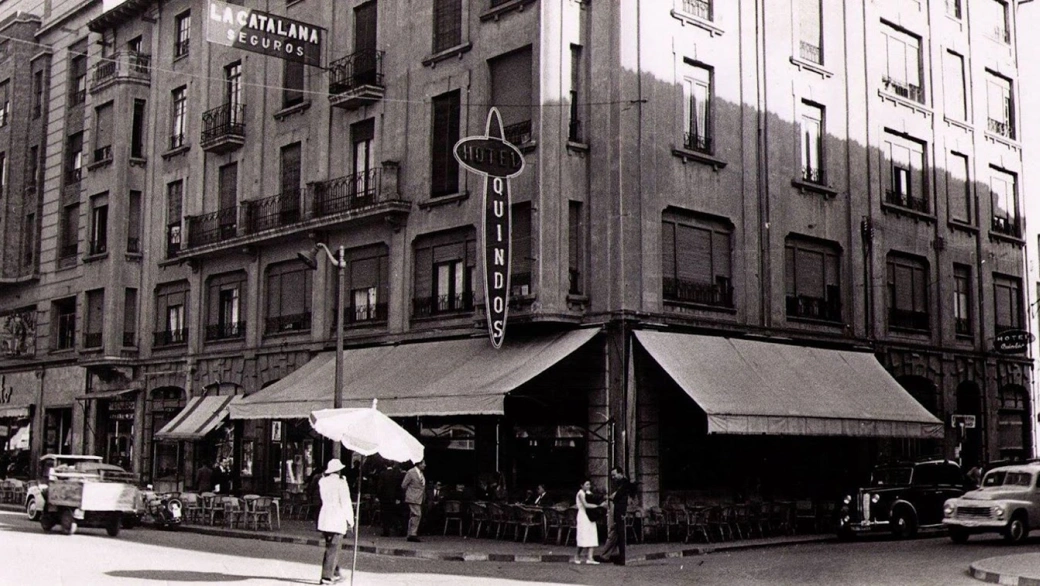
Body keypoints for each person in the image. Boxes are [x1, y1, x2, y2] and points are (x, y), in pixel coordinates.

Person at [317, 458, 354, 585]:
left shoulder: (322, 481)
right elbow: (345, 502)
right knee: (334, 547)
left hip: (325, 517)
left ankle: (335, 572)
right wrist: (351, 520)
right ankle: (327, 577)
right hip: (337, 517)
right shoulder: (341, 483)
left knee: (331, 546)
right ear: (338, 471)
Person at [595, 467, 635, 566]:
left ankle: (620, 558)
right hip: (618, 511)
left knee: (619, 535)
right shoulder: (620, 484)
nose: (613, 477)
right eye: (612, 475)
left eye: (614, 475)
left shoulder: (624, 484)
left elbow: (619, 498)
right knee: (616, 534)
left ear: (621, 473)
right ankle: (614, 556)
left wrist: (622, 513)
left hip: (619, 512)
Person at [573, 480, 601, 564]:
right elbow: (585, 504)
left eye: (589, 484)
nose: (589, 486)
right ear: (582, 485)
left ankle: (590, 557)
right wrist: (598, 506)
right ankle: (577, 555)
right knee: (583, 535)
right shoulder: (580, 493)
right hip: (583, 515)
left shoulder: (589, 492)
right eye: (587, 484)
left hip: (590, 515)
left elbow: (593, 499)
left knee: (592, 534)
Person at [376, 461, 403, 537]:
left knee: (385, 515)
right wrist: (398, 497)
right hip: (394, 497)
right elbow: (399, 487)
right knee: (394, 513)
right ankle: (398, 528)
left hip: (384, 498)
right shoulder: (397, 474)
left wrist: (378, 496)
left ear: (385, 465)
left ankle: (386, 531)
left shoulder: (383, 474)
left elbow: (380, 487)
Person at [401, 460, 426, 542]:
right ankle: (413, 534)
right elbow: (404, 485)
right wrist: (410, 492)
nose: (425, 465)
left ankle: (410, 534)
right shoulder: (411, 472)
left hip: (418, 498)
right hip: (413, 497)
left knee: (413, 515)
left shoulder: (420, 473)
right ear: (419, 464)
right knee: (417, 514)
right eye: (423, 463)